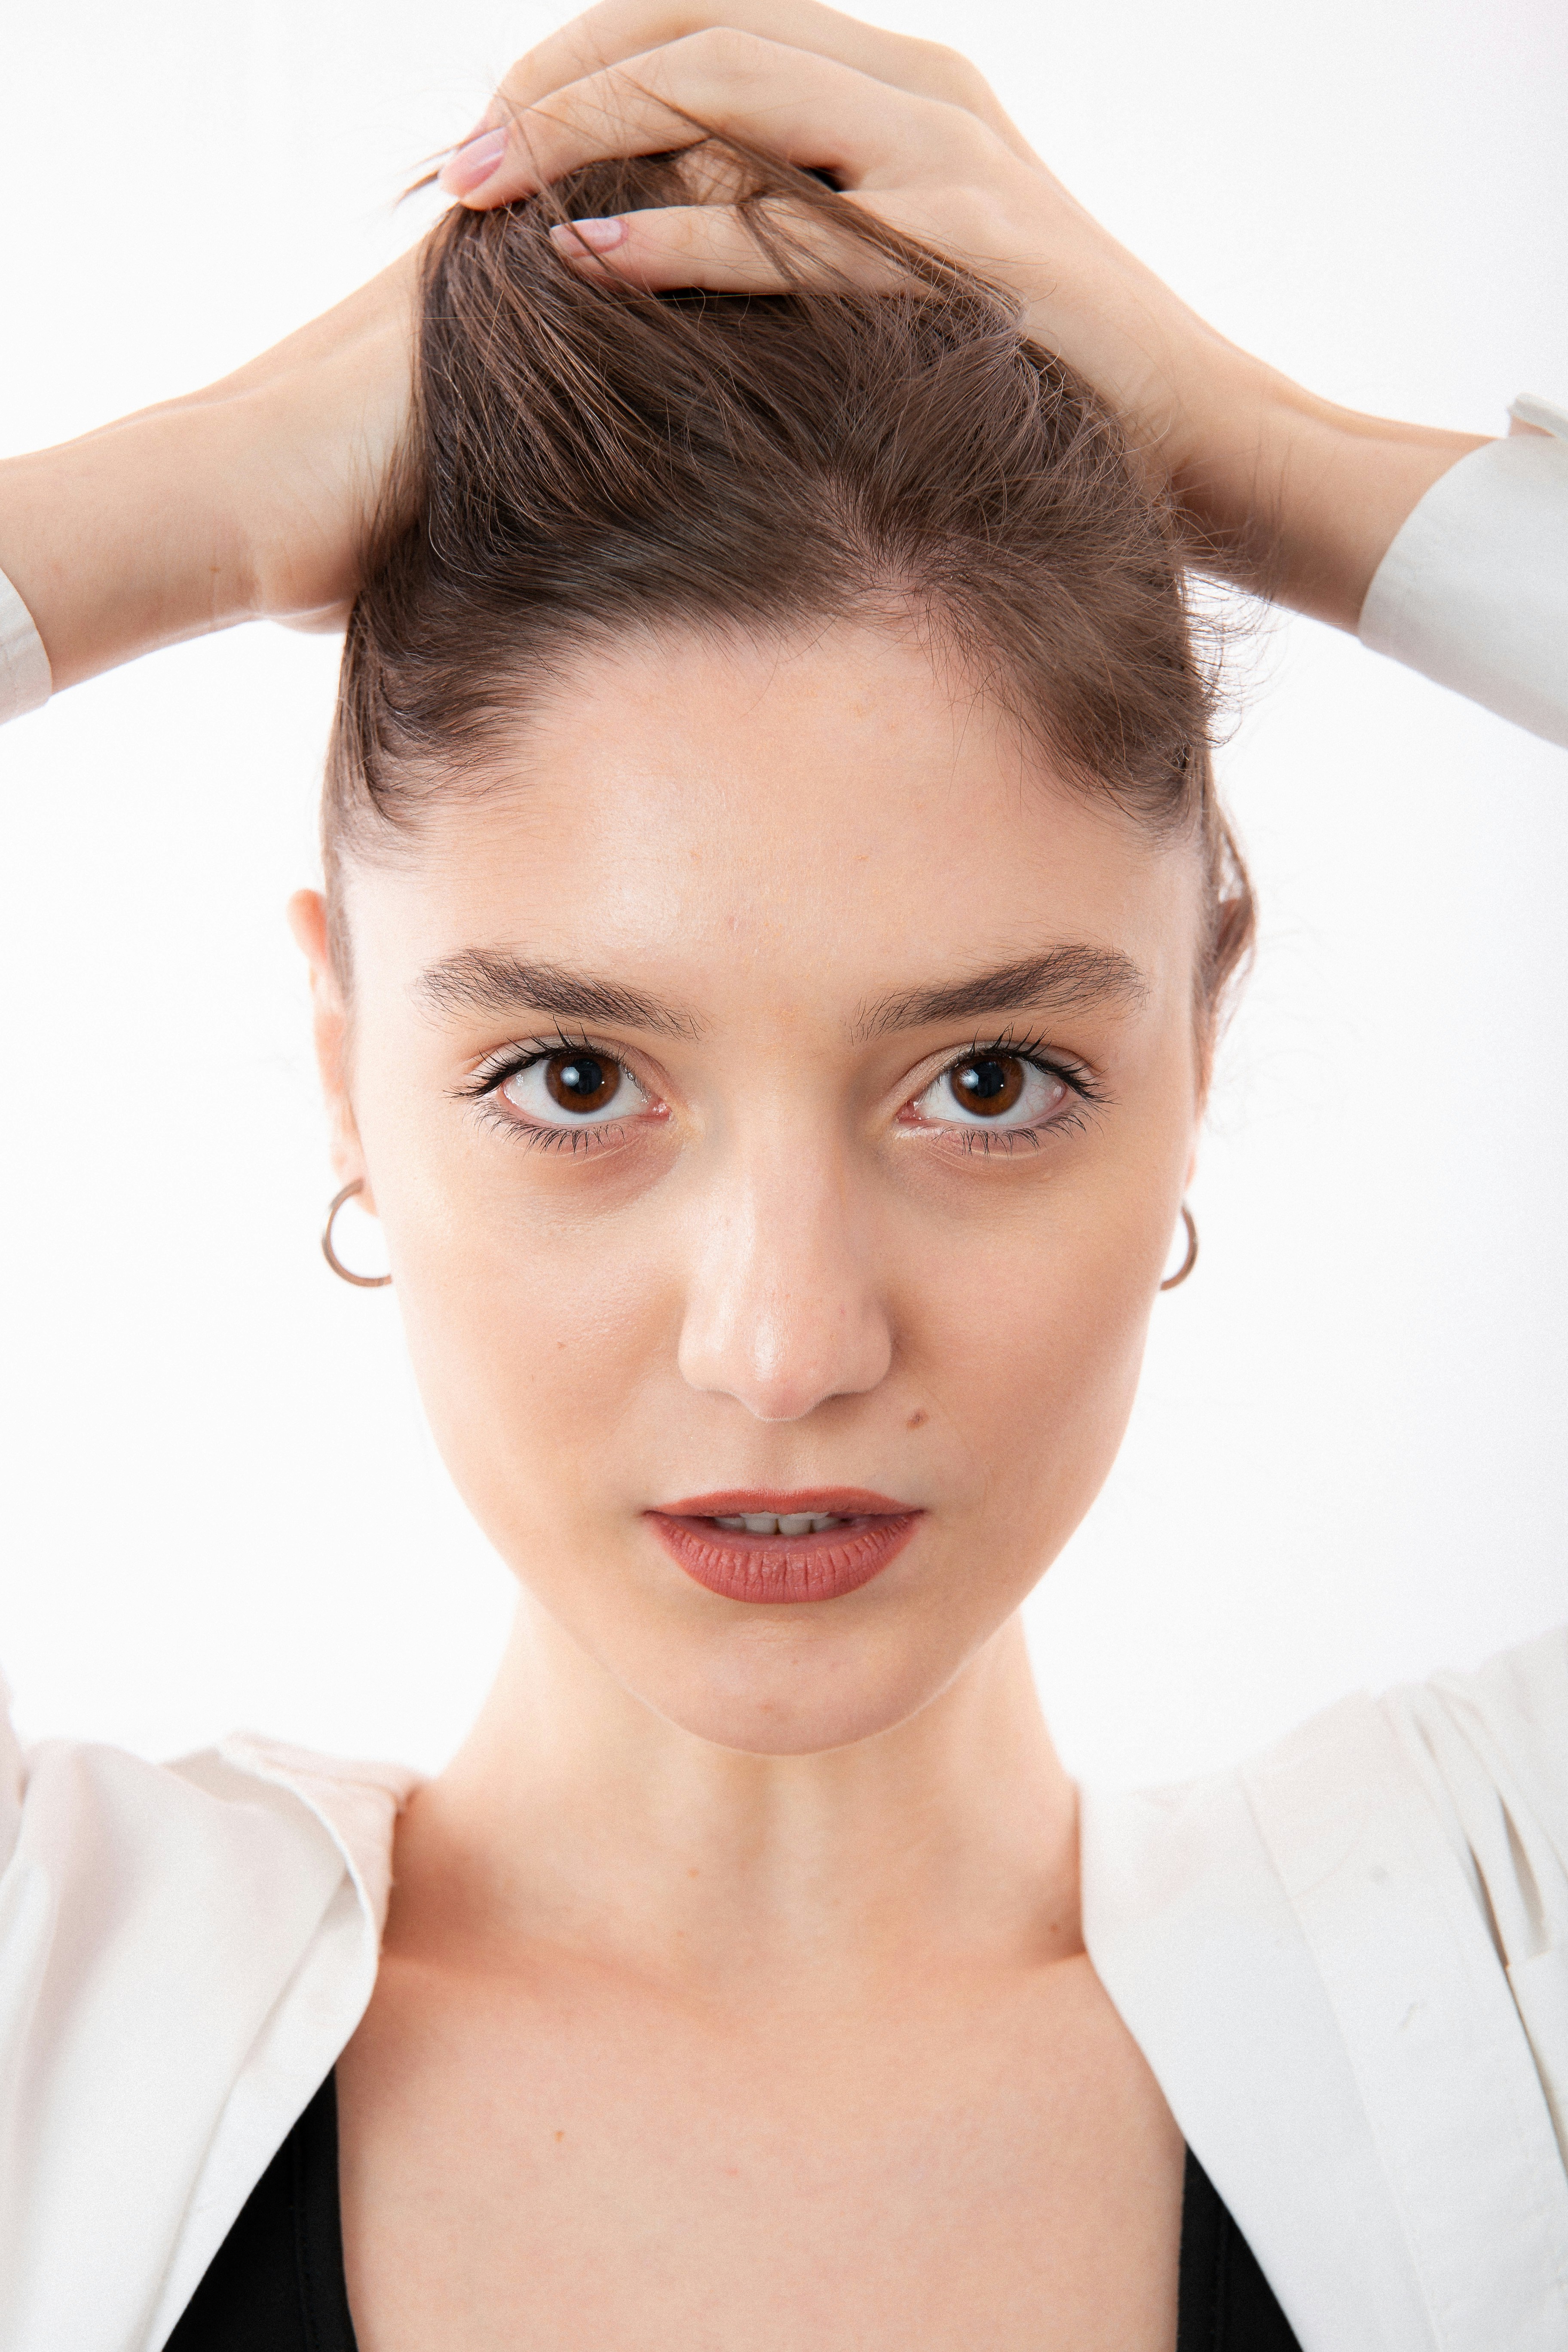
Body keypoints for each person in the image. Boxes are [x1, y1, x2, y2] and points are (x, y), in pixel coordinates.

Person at [0, 6, 1564, 2349]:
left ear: (1198, 1057)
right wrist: (196, 494)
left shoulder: (1503, 1984)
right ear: (344, 1068)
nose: (788, 1345)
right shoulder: (48, 2008)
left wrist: (1270, 451)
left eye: (994, 1081)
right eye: (569, 1075)